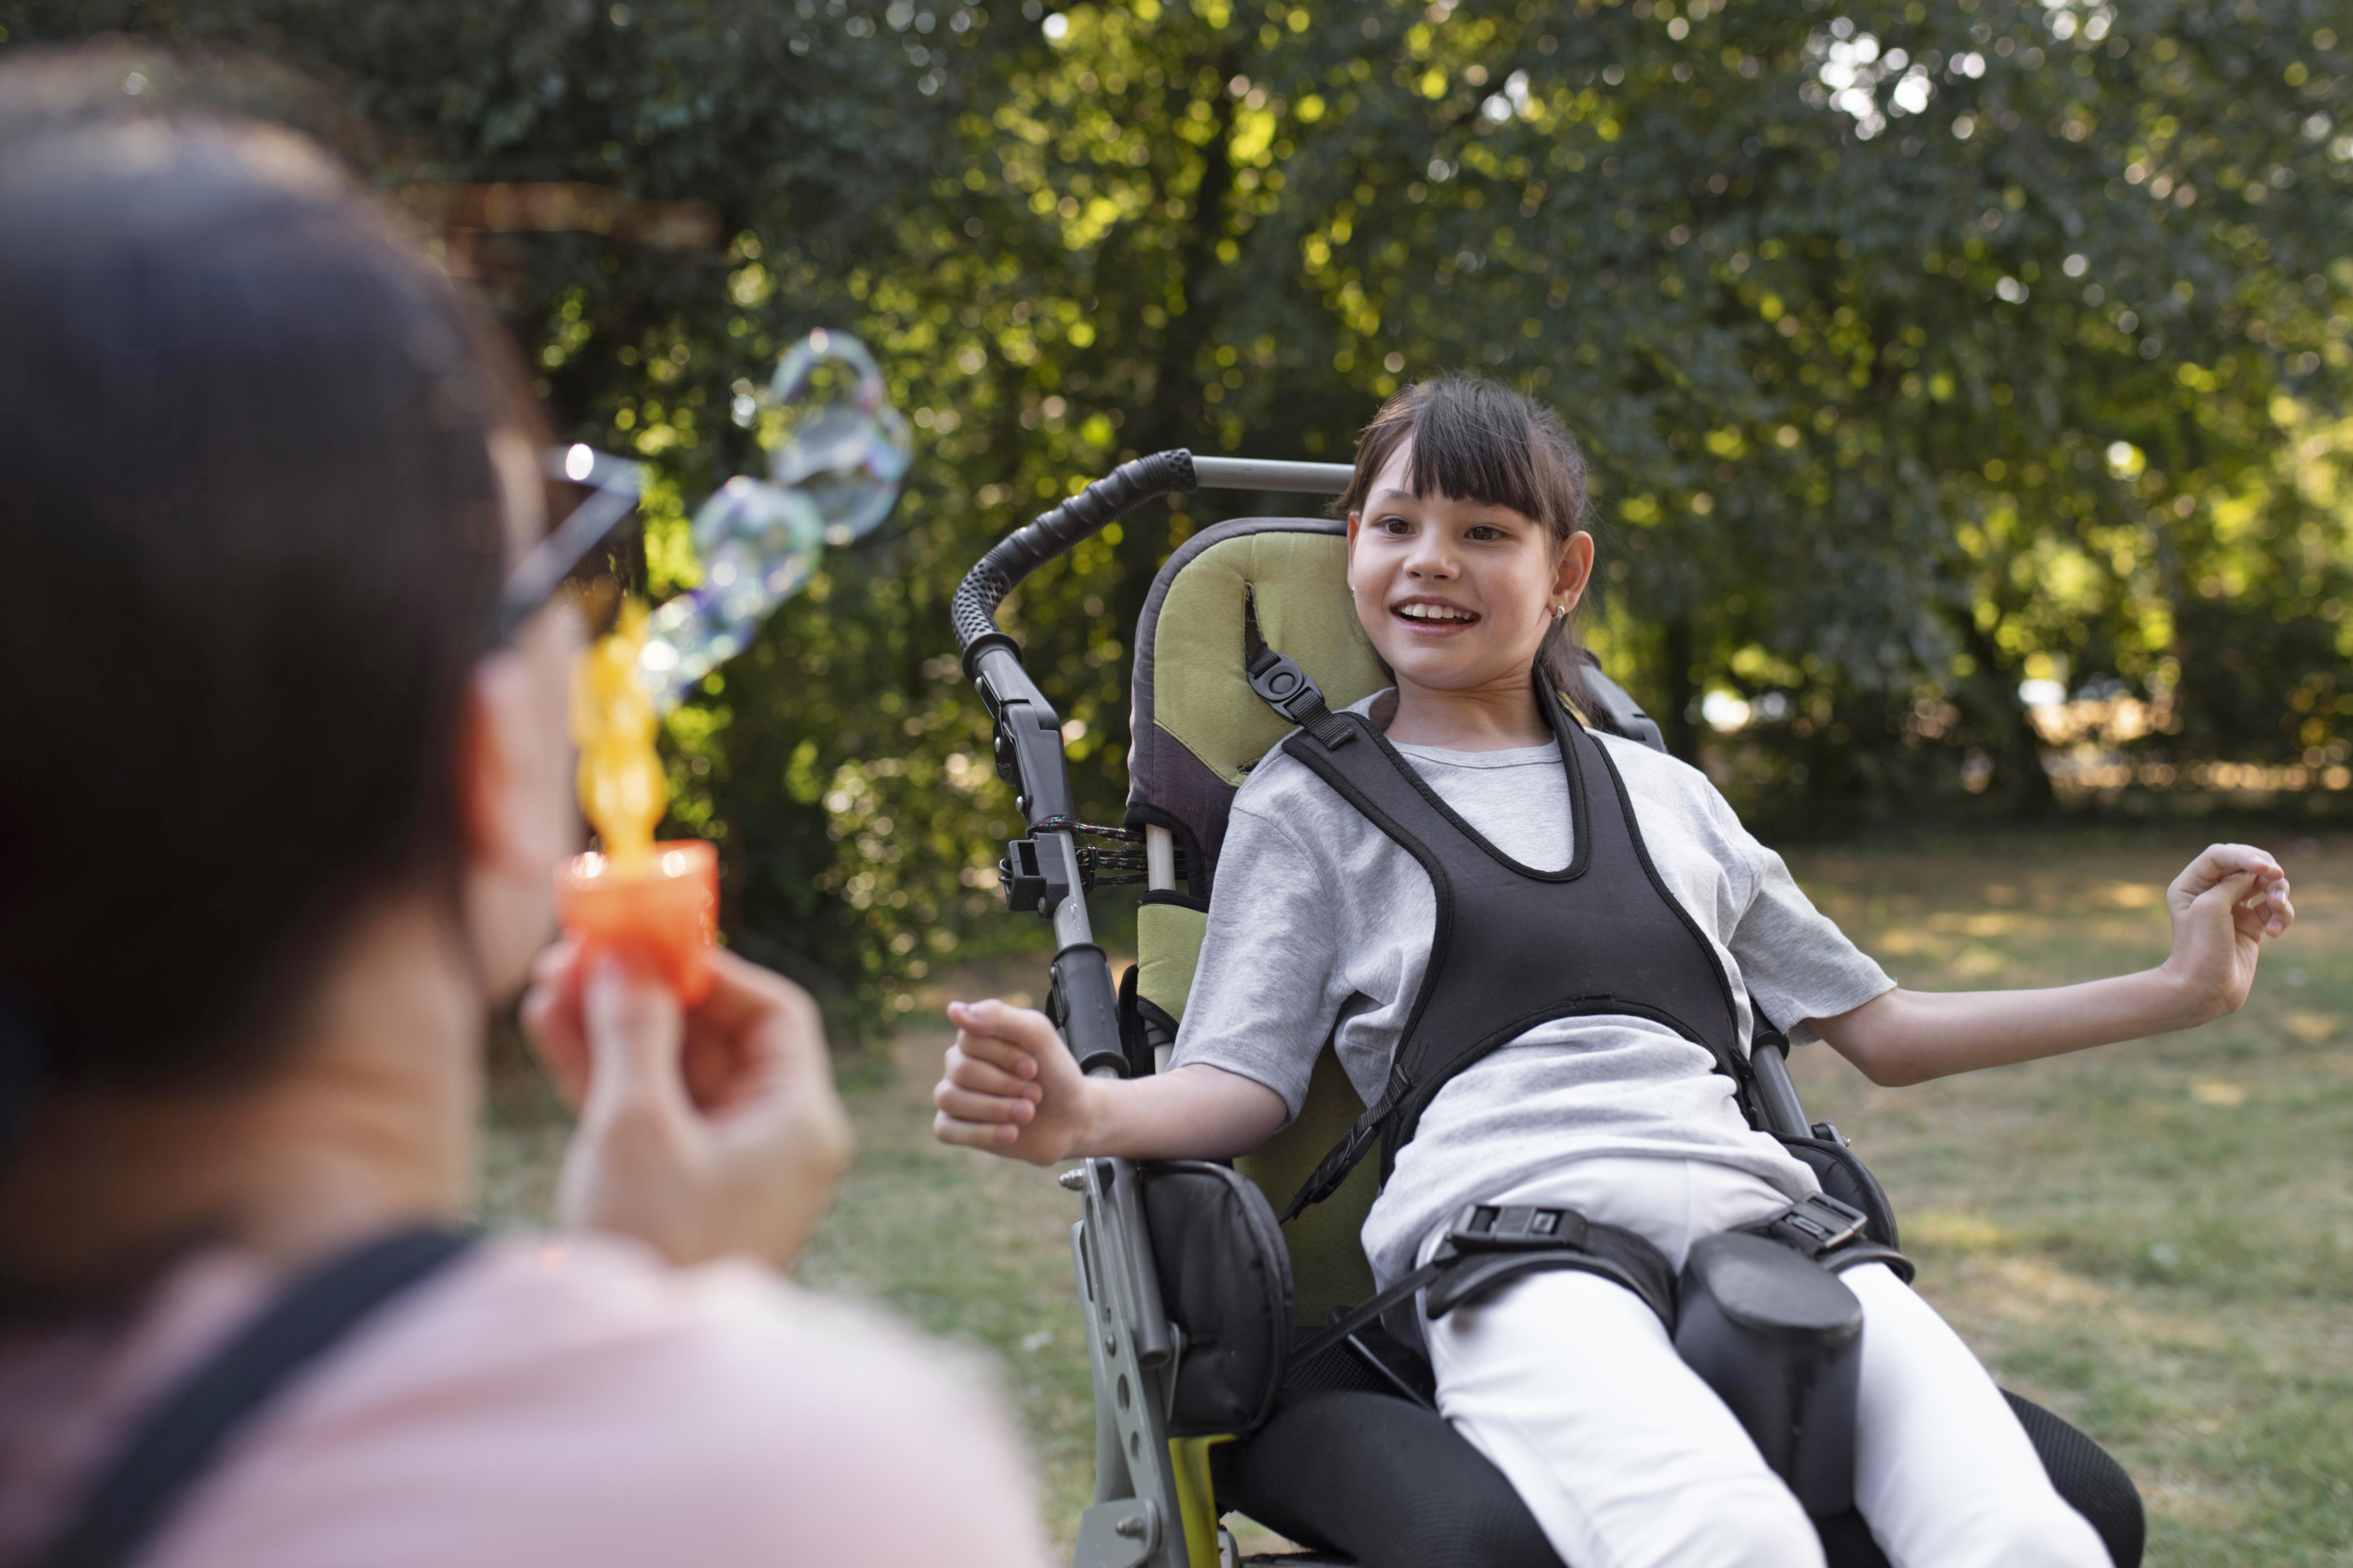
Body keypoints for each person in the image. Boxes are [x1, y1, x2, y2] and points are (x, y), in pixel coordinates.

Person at [932, 376, 2297, 1568]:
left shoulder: (1672, 797)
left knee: (2025, 1537)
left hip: (1777, 1245)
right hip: (1522, 1258)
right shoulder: (1309, 803)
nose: (1431, 561)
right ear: (1353, 545)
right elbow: (1241, 1081)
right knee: (1730, 1544)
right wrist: (1089, 1114)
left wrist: (2177, 989)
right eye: (1396, 525)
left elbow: (1885, 1029)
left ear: (1565, 572)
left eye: (1484, 532)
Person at [0, 59, 1047, 1568]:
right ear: (485, 770)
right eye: (558, 553)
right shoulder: (806, 1492)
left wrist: (629, 1293)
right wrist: (685, 1358)